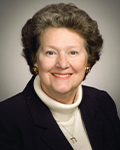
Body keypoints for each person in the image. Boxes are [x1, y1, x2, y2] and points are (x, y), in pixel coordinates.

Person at [0, 3, 120, 150]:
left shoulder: (103, 102)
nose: (62, 64)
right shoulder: (5, 118)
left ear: (88, 60)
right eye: (50, 52)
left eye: (73, 52)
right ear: (34, 59)